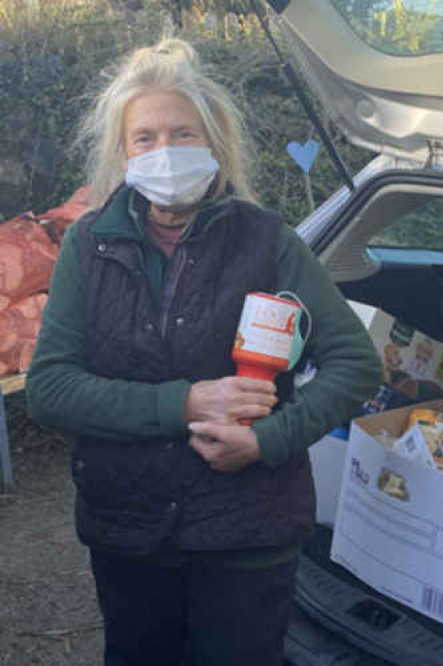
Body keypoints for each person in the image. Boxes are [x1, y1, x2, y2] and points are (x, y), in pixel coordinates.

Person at [26, 37, 381, 666]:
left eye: (184, 134)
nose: (165, 152)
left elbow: (355, 362)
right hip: (128, 531)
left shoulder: (269, 242)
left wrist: (270, 439)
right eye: (146, 138)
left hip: (249, 533)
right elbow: (51, 388)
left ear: (215, 142)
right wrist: (185, 401)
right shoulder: (88, 247)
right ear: (122, 151)